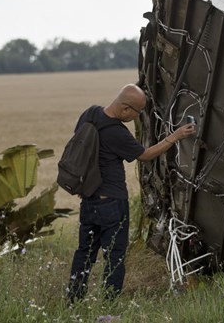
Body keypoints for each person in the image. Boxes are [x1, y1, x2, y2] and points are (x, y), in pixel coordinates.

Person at [67, 83, 195, 302]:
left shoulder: (90, 113)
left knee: (84, 253)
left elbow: (82, 147)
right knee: (114, 256)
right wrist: (175, 137)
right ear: (125, 109)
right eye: (136, 112)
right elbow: (144, 155)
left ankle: (73, 300)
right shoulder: (117, 133)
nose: (135, 117)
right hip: (112, 204)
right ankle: (109, 303)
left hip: (88, 200)